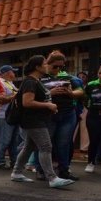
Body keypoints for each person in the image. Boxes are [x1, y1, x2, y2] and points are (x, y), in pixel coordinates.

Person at [9, 55, 75, 189]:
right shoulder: (30, 82)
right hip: (33, 121)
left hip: (38, 120)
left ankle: (16, 172)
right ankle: (52, 178)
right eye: (45, 64)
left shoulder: (35, 81)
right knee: (46, 146)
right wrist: (48, 106)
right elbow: (27, 102)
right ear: (37, 67)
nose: (48, 66)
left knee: (28, 147)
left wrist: (49, 106)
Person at [39, 52, 85, 181]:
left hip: (67, 113)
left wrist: (71, 93)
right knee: (46, 144)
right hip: (48, 114)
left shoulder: (68, 77)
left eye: (61, 66)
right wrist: (50, 92)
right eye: (55, 66)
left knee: (64, 143)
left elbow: (80, 91)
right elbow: (31, 95)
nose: (58, 69)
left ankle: (64, 170)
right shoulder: (40, 78)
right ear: (47, 64)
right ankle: (42, 170)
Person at [0, 65, 20, 169]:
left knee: (14, 141)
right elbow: (0, 99)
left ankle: (15, 162)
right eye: (13, 72)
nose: (14, 74)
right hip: (3, 115)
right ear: (7, 73)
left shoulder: (10, 84)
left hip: (13, 115)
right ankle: (0, 162)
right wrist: (15, 96)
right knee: (4, 140)